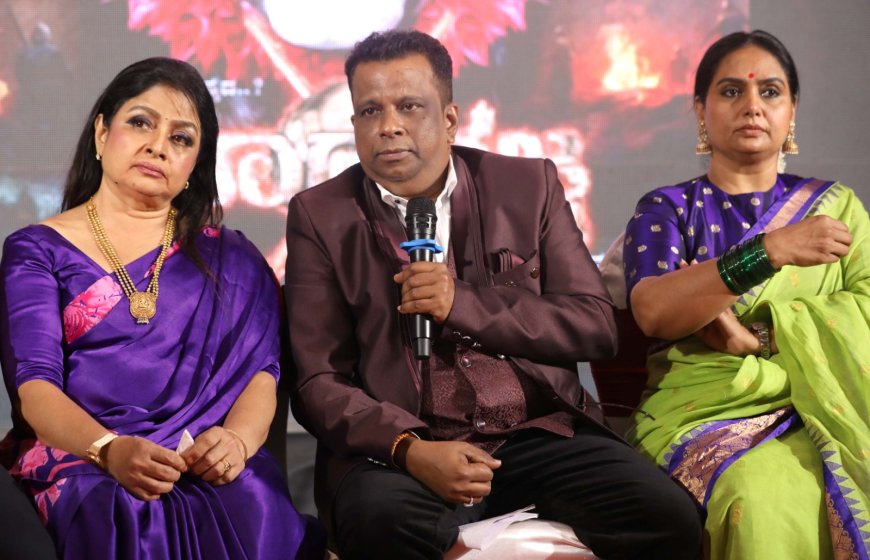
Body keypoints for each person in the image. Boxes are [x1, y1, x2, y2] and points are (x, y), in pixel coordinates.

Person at [285, 30, 702, 560]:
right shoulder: (321, 215)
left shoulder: (528, 185)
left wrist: (460, 303)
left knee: (669, 519)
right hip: (402, 452)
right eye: (370, 111)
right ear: (353, 125)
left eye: (409, 106)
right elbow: (318, 380)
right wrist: (408, 449)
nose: (388, 126)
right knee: (380, 522)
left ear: (450, 119)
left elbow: (594, 325)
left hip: (535, 435)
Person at [0, 57, 323, 559]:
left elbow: (263, 372)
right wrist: (109, 450)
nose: (158, 145)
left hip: (200, 461)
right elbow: (35, 389)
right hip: (84, 460)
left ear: (195, 165)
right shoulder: (37, 250)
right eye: (140, 122)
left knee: (249, 498)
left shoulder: (233, 258)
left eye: (181, 138)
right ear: (102, 133)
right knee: (114, 507)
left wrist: (237, 441)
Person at [623, 30, 869, 560]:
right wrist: (770, 250)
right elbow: (654, 310)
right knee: (758, 498)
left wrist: (759, 337)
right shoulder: (668, 209)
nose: (752, 105)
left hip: (830, 409)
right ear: (700, 110)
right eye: (732, 91)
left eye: (770, 92)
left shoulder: (837, 209)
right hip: (704, 413)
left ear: (792, 109)